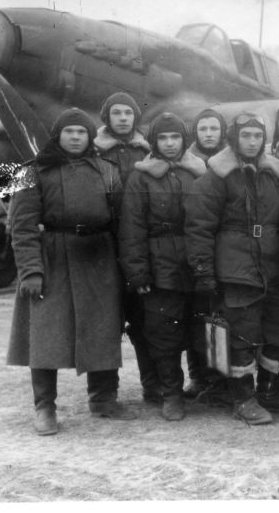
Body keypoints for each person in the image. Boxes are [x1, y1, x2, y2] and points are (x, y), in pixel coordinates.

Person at [7, 108, 136, 436]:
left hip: (99, 256)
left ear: (90, 136)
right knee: (46, 334)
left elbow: (123, 222)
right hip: (53, 257)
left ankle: (103, 398)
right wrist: (31, 271)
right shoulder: (31, 172)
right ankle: (45, 407)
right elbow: (22, 227)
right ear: (58, 135)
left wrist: (126, 266)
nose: (76, 137)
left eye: (82, 132)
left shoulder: (108, 170)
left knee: (103, 328)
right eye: (69, 132)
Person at [185, 112, 279, 425]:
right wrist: (204, 271)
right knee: (242, 334)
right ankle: (243, 398)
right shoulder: (215, 177)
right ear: (234, 138)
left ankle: (269, 390)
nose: (252, 142)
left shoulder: (272, 173)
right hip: (235, 267)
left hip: (272, 266)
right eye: (246, 135)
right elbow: (199, 227)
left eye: (257, 136)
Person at [118, 113, 206, 421]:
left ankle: (206, 385)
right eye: (163, 138)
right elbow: (132, 228)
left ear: (184, 140)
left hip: (194, 259)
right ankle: (171, 394)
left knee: (199, 326)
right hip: (159, 264)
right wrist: (138, 271)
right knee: (163, 331)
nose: (170, 143)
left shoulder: (198, 172)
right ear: (154, 142)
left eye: (175, 137)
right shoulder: (140, 177)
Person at [93, 92, 159, 404]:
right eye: (116, 112)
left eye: (128, 113)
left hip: (139, 244)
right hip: (103, 245)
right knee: (105, 322)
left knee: (145, 319)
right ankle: (103, 393)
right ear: (106, 117)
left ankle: (154, 385)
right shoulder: (92, 151)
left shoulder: (147, 151)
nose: (123, 118)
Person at [181, 107, 228, 399]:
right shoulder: (186, 162)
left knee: (219, 317)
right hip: (194, 245)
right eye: (203, 129)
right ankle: (198, 376)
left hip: (224, 247)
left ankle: (219, 378)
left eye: (214, 128)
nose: (209, 134)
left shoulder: (231, 161)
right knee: (196, 315)